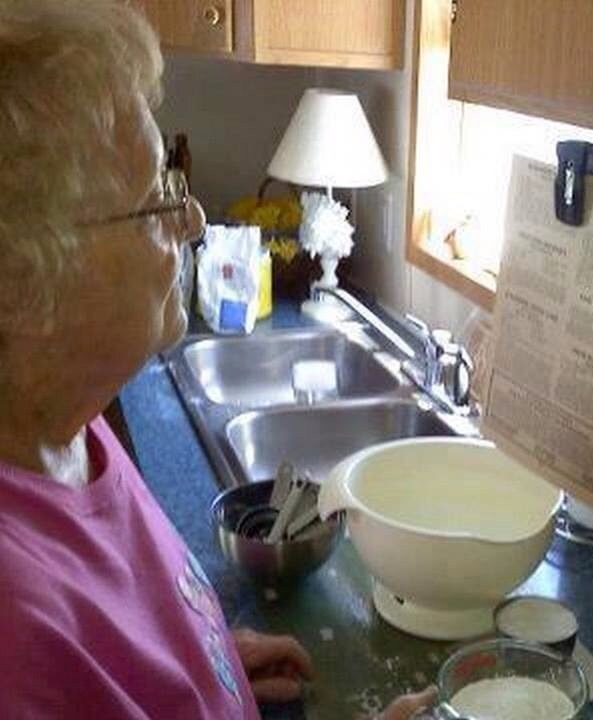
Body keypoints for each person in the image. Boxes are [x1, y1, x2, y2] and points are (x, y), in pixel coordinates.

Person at [0, 2, 435, 718]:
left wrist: (199, 662)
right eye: (154, 201)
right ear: (23, 283)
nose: (193, 219)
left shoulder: (64, 423)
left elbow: (121, 632)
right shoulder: (15, 644)